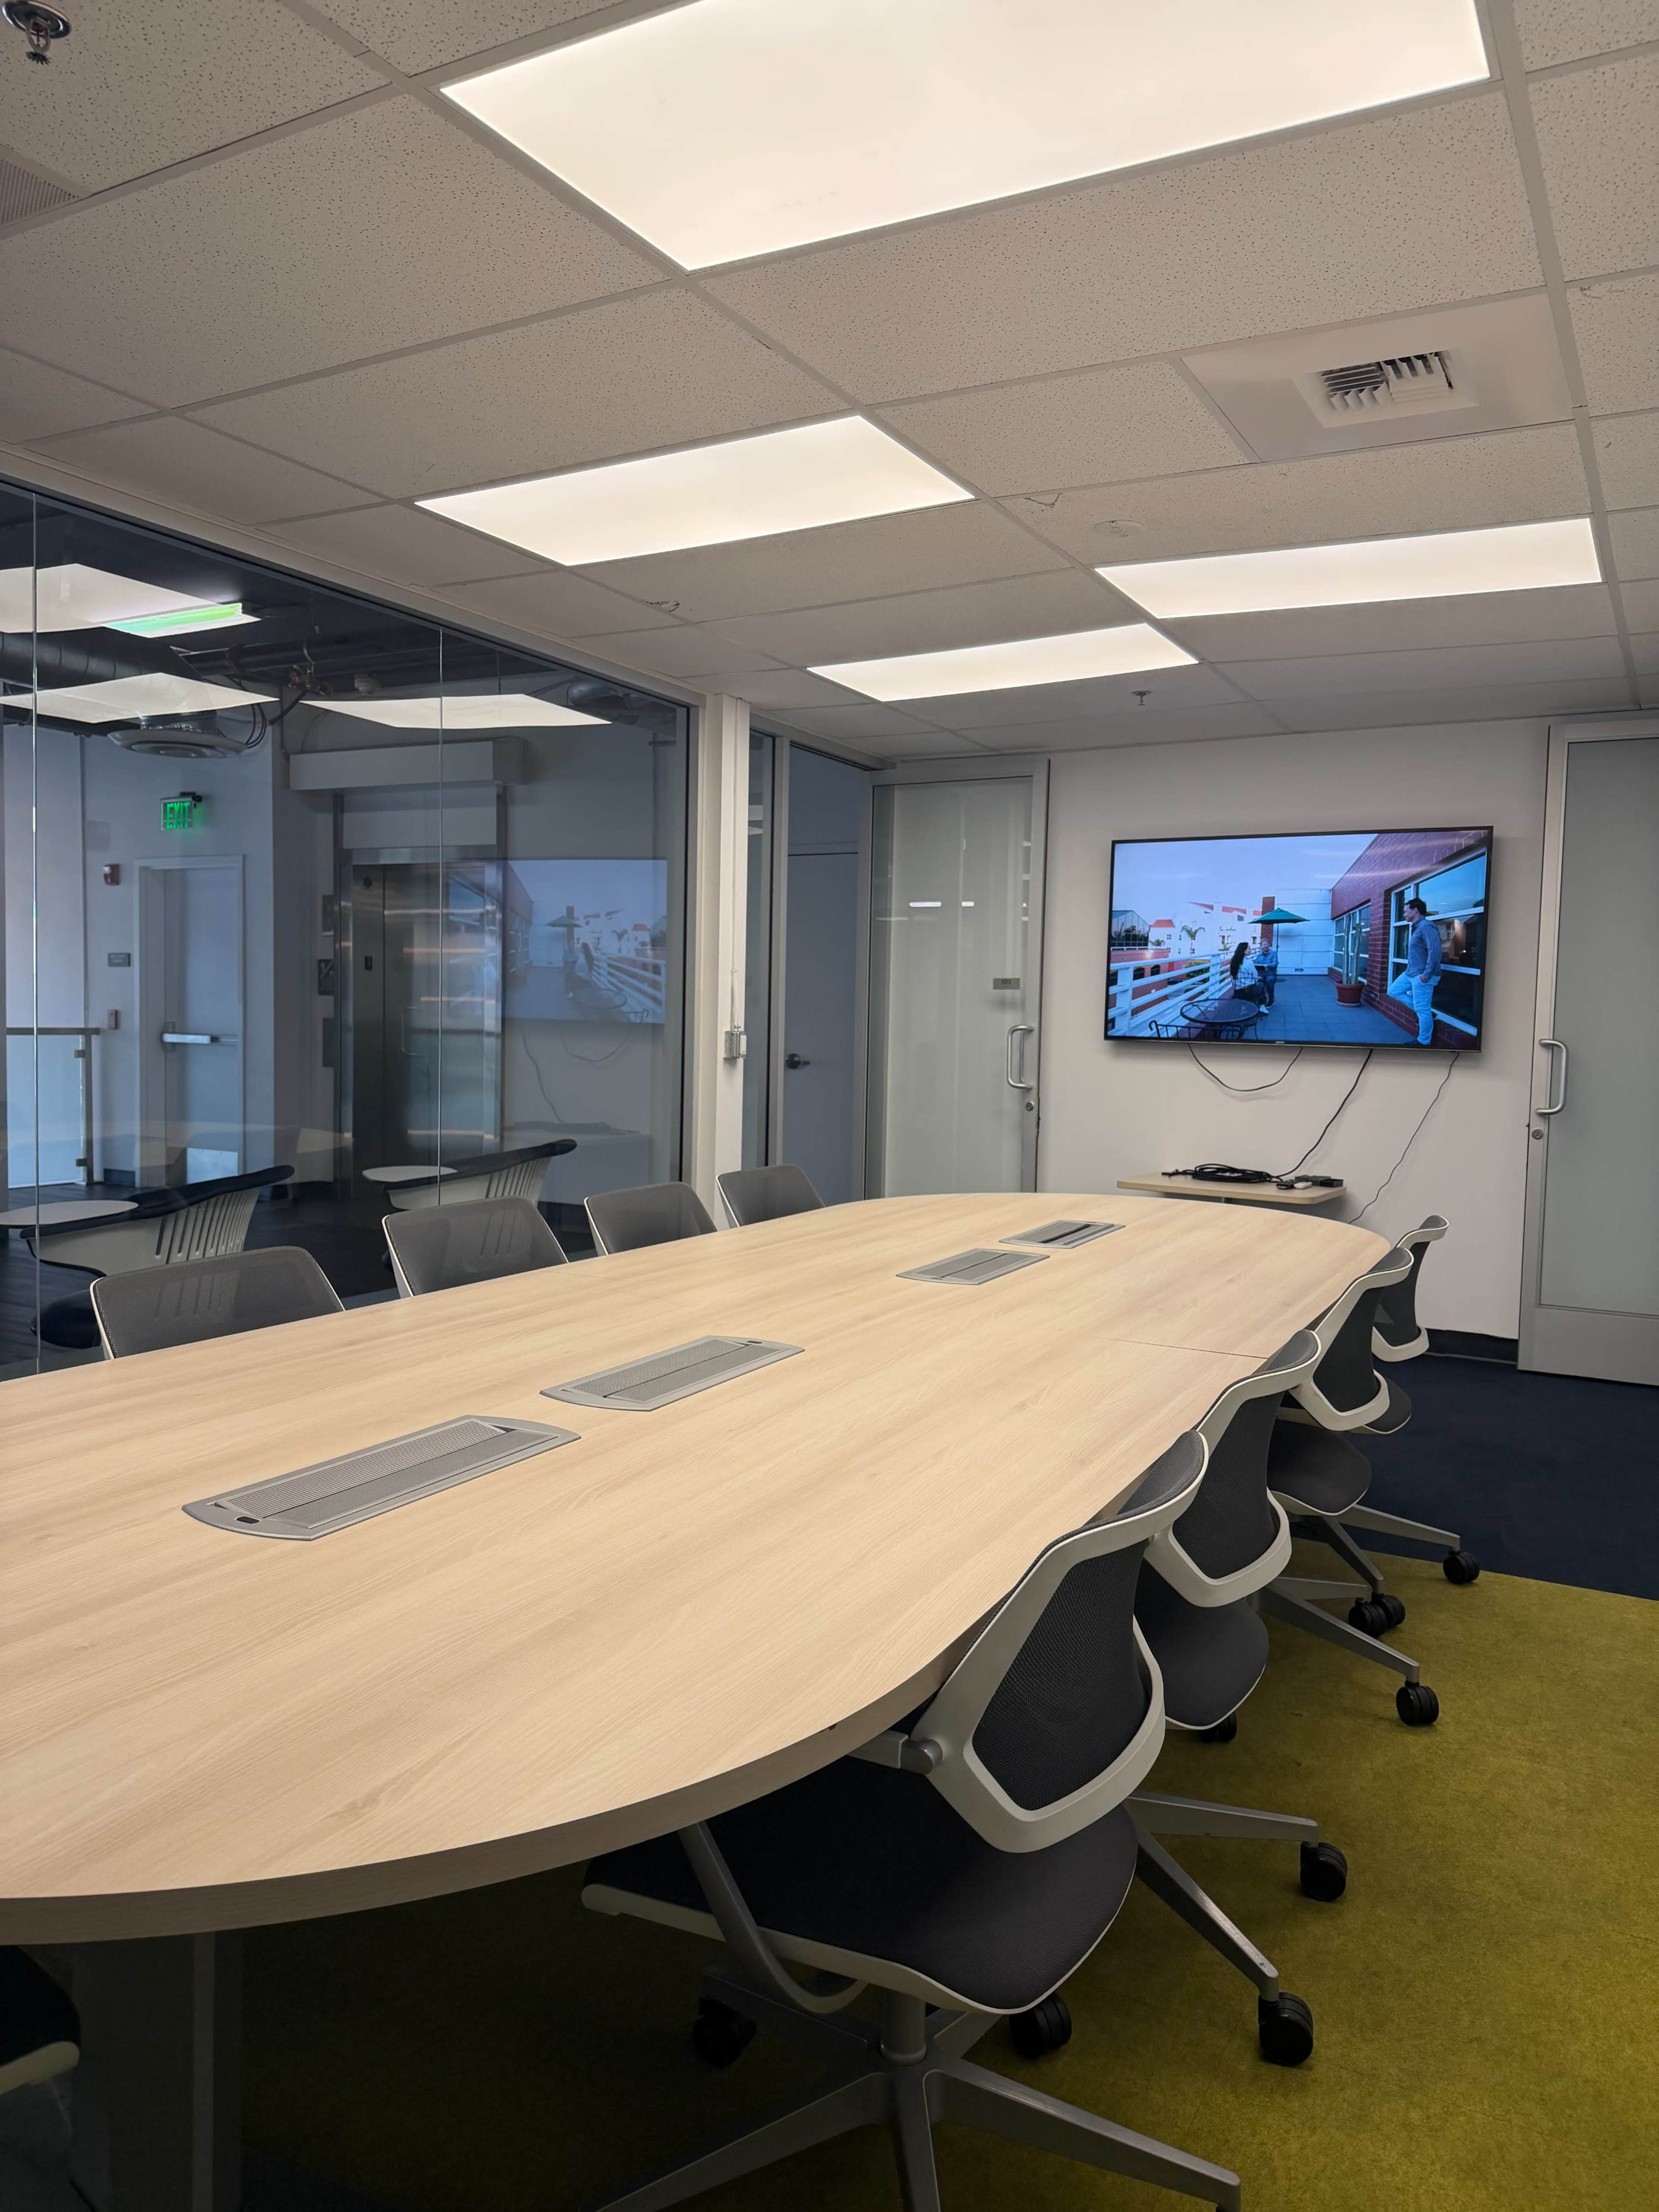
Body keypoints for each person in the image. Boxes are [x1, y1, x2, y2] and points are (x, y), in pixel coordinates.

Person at [1388, 896, 1442, 1044]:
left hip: (1423, 976)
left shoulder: (1426, 926)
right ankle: (1427, 1014)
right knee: (1393, 991)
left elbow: (1435, 951)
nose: (1404, 914)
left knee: (1422, 1009)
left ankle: (1424, 1042)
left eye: (1406, 911)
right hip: (1411, 973)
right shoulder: (1417, 928)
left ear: (1415, 911)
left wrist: (1427, 975)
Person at [1228, 937, 1261, 1002]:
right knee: (1262, 985)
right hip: (1249, 991)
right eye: (1249, 949)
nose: (1250, 950)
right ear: (1244, 951)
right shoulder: (1249, 962)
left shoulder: (1233, 962)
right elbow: (1255, 976)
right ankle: (1261, 1006)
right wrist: (1257, 979)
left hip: (1237, 992)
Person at [1257, 936, 1280, 1008]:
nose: (1266, 946)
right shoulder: (1259, 956)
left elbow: (1275, 964)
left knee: (1269, 981)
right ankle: (1262, 1000)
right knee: (1258, 983)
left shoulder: (1274, 953)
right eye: (1264, 945)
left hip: (1271, 974)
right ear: (1261, 947)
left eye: (1267, 944)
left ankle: (1271, 1000)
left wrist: (1267, 966)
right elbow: (1256, 965)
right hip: (1262, 975)